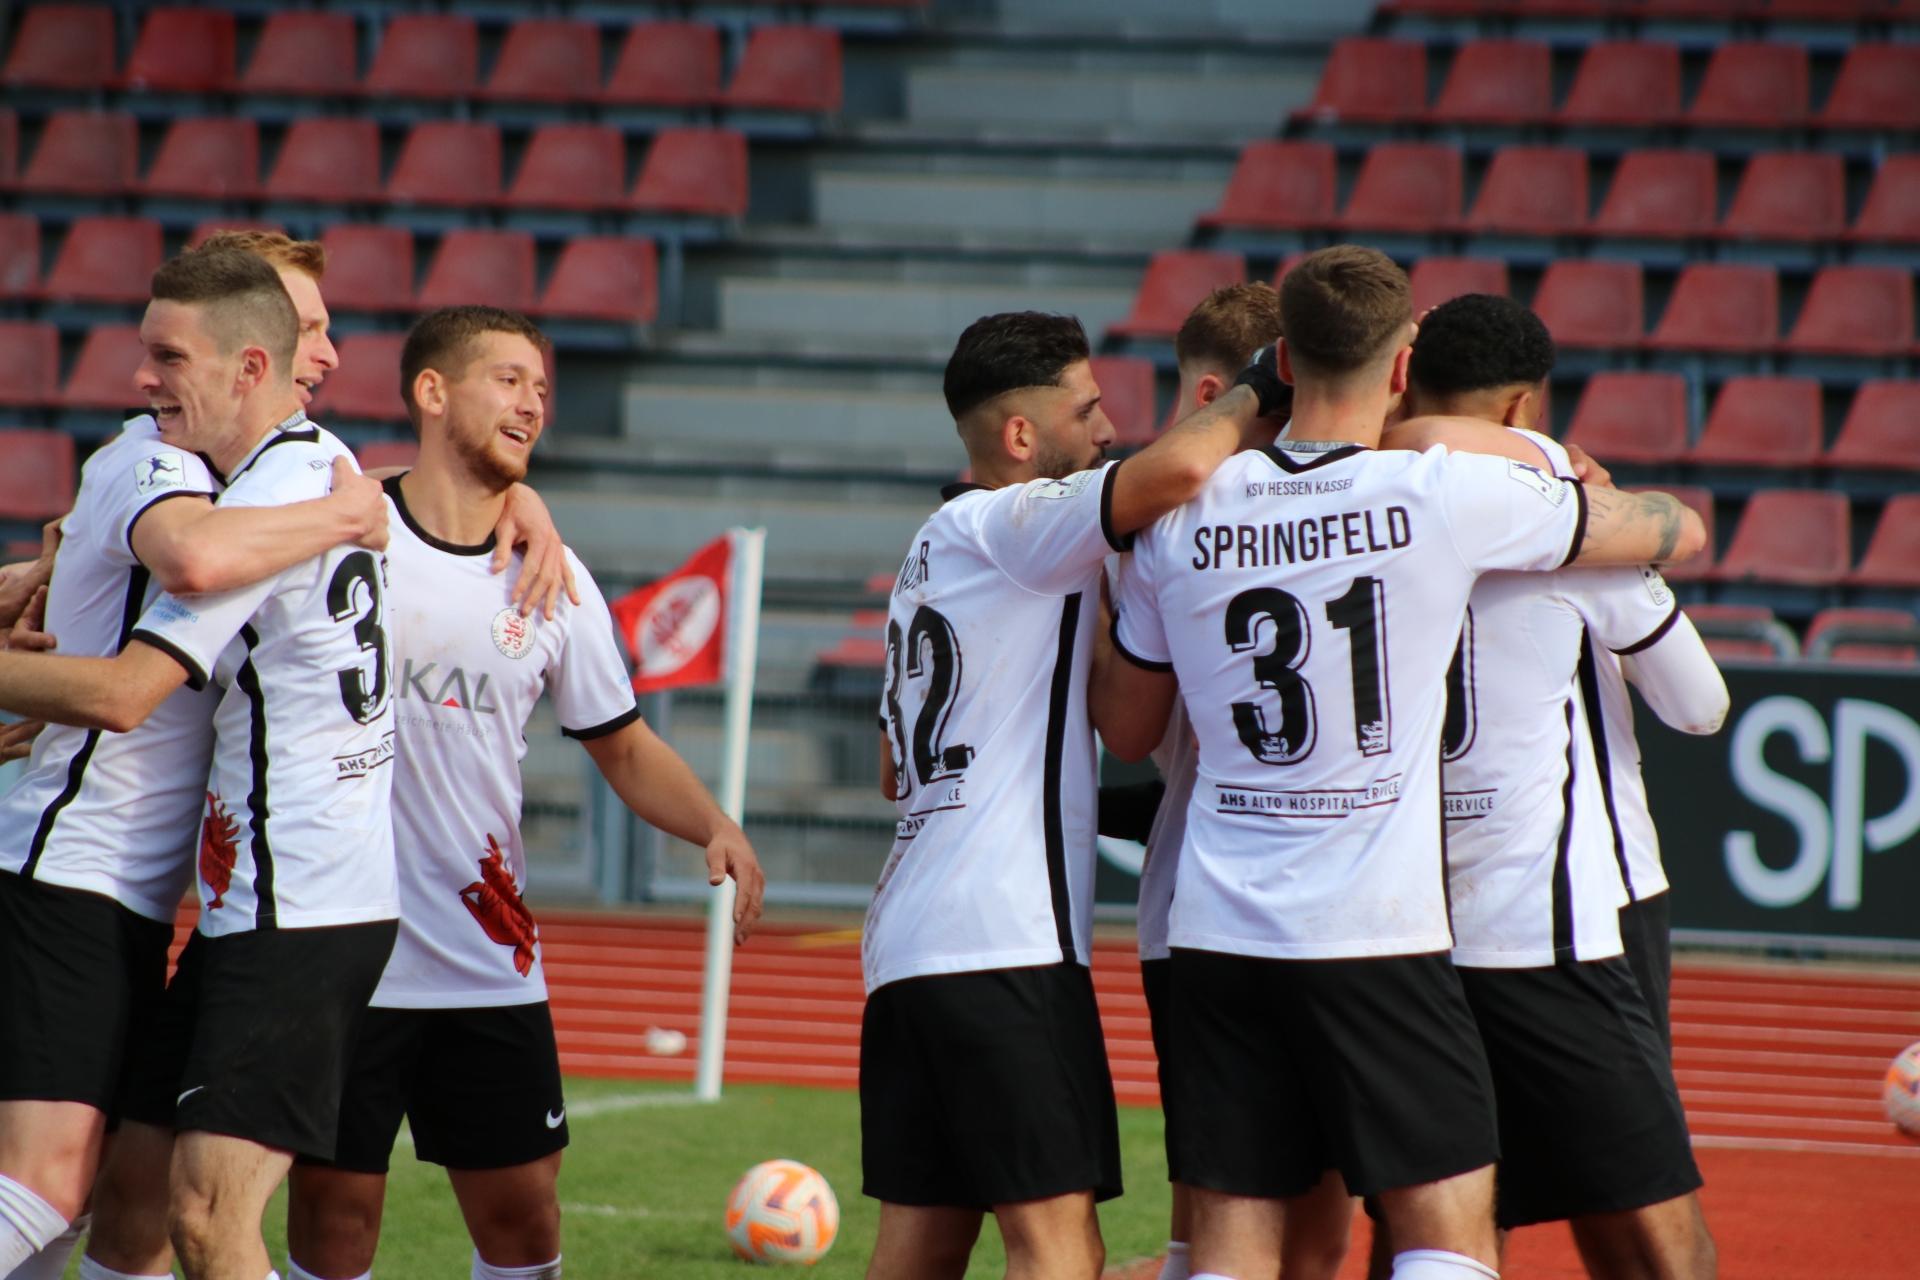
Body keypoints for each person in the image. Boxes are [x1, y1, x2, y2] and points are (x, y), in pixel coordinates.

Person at [1093, 246, 1704, 1280]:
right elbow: (1674, 532)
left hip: (1215, 925)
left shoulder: (1182, 513)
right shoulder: (1438, 492)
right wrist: (1547, 460)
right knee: (1448, 1227)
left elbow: (1126, 727)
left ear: (1285, 358)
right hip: (1374, 923)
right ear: (1403, 361)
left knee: (1235, 1240)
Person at [282, 306, 766, 1280]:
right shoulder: (339, 529)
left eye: (541, 387)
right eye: (508, 379)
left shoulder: (551, 574)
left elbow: (622, 745)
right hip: (339, 946)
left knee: (524, 1221)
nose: (533, 402)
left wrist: (714, 823)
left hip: (482, 954)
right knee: (334, 1217)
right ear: (432, 391)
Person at [0, 246, 404, 1280]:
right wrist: (356, 508)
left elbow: (176, 581)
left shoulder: (278, 478)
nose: (328, 356)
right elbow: (180, 576)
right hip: (88, 869)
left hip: (263, 895)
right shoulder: (202, 468)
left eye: (166, 355)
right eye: (311, 329)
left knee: (138, 1200)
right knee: (90, 1191)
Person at [864, 311, 1283, 1280]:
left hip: (908, 944)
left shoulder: (932, 547)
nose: (1108, 429)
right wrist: (1266, 381)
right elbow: (1180, 469)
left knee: (921, 1247)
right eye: (1087, 410)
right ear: (1020, 435)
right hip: (1002, 941)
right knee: (1059, 1248)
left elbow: (894, 770)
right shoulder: (1017, 523)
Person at [1365, 294, 1723, 1279]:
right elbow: (1699, 706)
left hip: (1403, 921)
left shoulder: (1367, 512)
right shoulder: (1570, 530)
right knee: (1643, 1216)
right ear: (1523, 403)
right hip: (1571, 911)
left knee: (1434, 1219)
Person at [1110, 283, 1351, 1280]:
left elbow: (1128, 731)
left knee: (1222, 1206)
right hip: (1346, 902)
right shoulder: (1366, 501)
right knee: (1317, 1220)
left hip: (1201, 904)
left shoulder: (1138, 522)